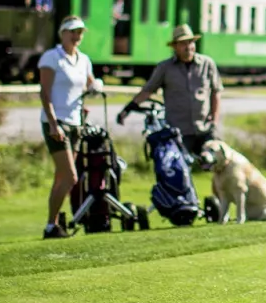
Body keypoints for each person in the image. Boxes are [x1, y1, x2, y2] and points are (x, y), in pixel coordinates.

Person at [39, 15, 103, 239]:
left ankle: (54, 224)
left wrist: (96, 87)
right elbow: (45, 93)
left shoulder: (83, 59)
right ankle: (50, 225)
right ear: (63, 34)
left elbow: (89, 83)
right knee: (70, 177)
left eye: (80, 33)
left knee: (61, 177)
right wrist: (53, 123)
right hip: (56, 123)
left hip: (76, 122)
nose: (76, 37)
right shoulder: (52, 57)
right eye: (72, 32)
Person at [117, 23, 222, 155]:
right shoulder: (165, 68)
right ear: (175, 47)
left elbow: (216, 92)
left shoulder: (207, 64)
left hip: (204, 128)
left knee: (214, 167)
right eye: (183, 43)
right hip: (179, 131)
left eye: (190, 42)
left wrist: (215, 120)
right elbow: (148, 90)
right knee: (181, 170)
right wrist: (128, 108)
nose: (188, 47)